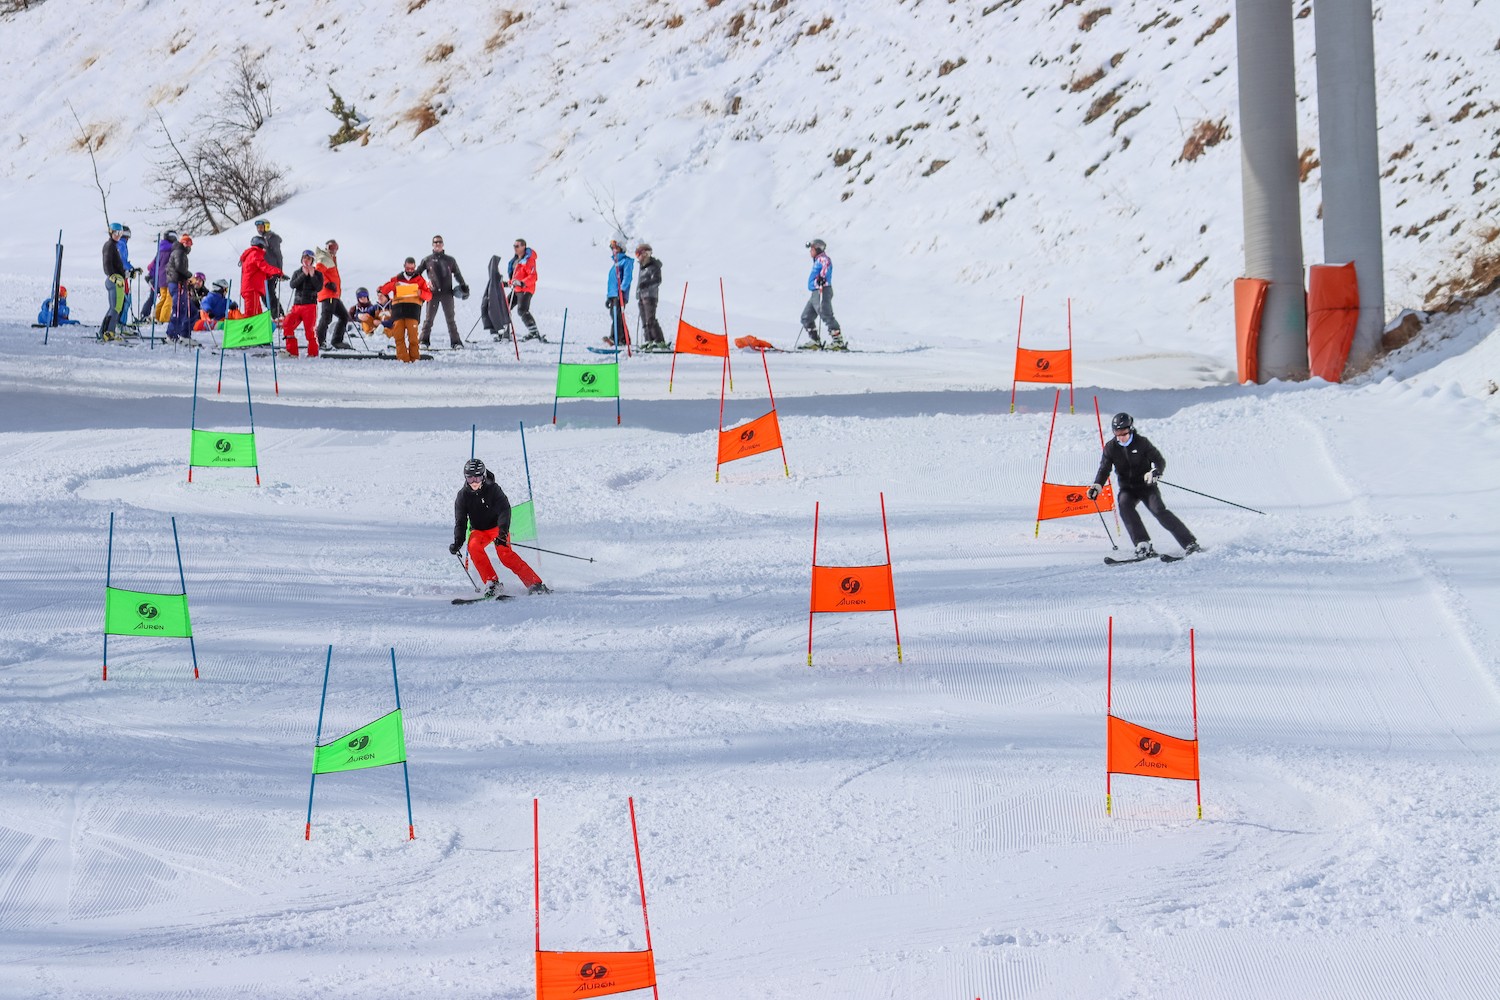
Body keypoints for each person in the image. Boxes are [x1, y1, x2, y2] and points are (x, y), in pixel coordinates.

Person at [1088, 412, 1201, 559]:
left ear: (1131, 429)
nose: (1121, 436)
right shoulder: (1111, 447)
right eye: (1117, 433)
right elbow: (1104, 468)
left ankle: (1190, 543)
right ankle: (1142, 544)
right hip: (1127, 488)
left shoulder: (1142, 443)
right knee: (1124, 505)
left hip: (1146, 486)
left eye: (1124, 432)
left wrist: (1155, 472)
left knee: (1158, 510)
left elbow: (1159, 460)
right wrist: (1097, 485)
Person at [448, 458, 550, 598]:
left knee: (505, 554)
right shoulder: (462, 496)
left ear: (483, 476)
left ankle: (534, 583)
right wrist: (458, 542)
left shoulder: (493, 489)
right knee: (473, 547)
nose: (474, 482)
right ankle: (492, 584)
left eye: (477, 478)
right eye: (470, 479)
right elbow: (460, 522)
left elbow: (504, 510)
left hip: (497, 528)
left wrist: (502, 533)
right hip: (479, 530)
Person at [418, 235, 468, 350]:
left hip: (447, 293)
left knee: (450, 319)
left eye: (440, 242)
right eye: (435, 242)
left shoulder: (450, 260)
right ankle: (424, 341)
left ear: (443, 244)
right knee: (429, 319)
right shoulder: (427, 259)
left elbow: (457, 274)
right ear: (432, 244)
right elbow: (417, 274)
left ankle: (456, 342)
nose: (438, 244)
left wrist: (463, 286)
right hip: (433, 293)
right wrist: (425, 284)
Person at [379, 257, 431, 363]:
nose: (410, 270)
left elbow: (429, 296)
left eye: (412, 268)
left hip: (413, 310)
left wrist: (420, 293)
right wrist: (394, 285)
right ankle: (403, 359)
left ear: (415, 267)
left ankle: (415, 359)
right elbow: (383, 290)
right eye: (408, 268)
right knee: (398, 336)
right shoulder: (397, 278)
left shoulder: (420, 280)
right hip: (398, 310)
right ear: (404, 266)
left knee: (413, 337)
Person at [799, 238, 845, 351]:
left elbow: (826, 267)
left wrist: (822, 278)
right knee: (806, 317)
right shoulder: (817, 260)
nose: (810, 251)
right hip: (815, 292)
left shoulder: (823, 259)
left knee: (825, 314)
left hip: (822, 290)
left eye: (812, 249)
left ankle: (838, 341)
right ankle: (815, 341)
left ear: (818, 249)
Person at [313, 240, 353, 350]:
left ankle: (337, 341)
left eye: (335, 247)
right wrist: (327, 283)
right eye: (331, 247)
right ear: (326, 247)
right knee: (326, 317)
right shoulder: (324, 258)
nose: (333, 250)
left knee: (344, 316)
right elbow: (318, 273)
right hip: (328, 294)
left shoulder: (331, 259)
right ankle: (319, 342)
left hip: (333, 294)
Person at [283, 249, 323, 357]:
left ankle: (313, 353)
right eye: (304, 258)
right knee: (287, 324)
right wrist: (303, 275)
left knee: (310, 331)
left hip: (310, 306)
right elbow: (293, 285)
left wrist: (312, 275)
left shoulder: (318, 274)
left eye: (309, 258)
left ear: (312, 261)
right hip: (297, 306)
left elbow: (319, 287)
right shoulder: (297, 272)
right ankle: (292, 352)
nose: (306, 260)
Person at [239, 234, 284, 317]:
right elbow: (264, 267)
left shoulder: (251, 254)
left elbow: (256, 271)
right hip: (252, 288)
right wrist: (278, 272)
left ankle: (259, 328)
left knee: (257, 312)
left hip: (251, 288)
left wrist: (268, 276)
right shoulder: (255, 254)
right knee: (252, 313)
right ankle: (245, 328)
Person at [508, 238, 542, 341]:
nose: (515, 248)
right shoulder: (515, 260)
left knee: (522, 310)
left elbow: (533, 276)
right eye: (514, 246)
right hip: (517, 289)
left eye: (517, 246)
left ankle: (534, 333)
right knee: (505, 306)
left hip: (526, 289)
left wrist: (522, 283)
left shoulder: (529, 260)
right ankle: (504, 331)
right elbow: (515, 277)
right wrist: (507, 283)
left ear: (523, 247)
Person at [164, 233, 196, 343]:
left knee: (188, 310)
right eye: (189, 245)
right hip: (177, 283)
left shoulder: (180, 253)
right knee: (179, 309)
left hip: (180, 283)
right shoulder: (179, 252)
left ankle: (183, 334)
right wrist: (189, 275)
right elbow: (179, 267)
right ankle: (172, 335)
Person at [634, 242, 667, 350]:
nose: (637, 257)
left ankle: (659, 341)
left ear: (645, 254)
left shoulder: (654, 266)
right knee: (645, 321)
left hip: (650, 297)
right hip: (642, 296)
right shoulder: (642, 267)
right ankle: (649, 340)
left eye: (638, 254)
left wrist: (646, 284)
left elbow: (657, 280)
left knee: (650, 320)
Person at [139, 230, 177, 322]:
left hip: (160, 278)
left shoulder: (161, 250)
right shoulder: (172, 250)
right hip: (169, 277)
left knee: (163, 298)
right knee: (169, 299)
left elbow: (154, 265)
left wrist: (150, 275)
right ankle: (164, 318)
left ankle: (156, 316)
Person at [254, 219, 285, 319]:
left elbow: (278, 255)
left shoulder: (272, 238)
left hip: (272, 270)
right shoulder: (261, 239)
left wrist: (279, 270)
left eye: (261, 227)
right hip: (264, 272)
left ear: (266, 227)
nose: (259, 229)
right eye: (258, 227)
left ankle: (278, 314)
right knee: (264, 295)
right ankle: (276, 314)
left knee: (269, 293)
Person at [604, 238, 633, 347]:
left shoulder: (626, 261)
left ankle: (615, 338)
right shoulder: (615, 264)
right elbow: (612, 282)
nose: (614, 250)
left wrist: (622, 289)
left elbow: (627, 277)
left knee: (617, 315)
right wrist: (609, 296)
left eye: (616, 248)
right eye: (613, 248)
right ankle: (624, 339)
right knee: (615, 316)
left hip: (619, 294)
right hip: (613, 294)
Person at [100, 223, 127, 340]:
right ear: (111, 232)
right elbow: (107, 263)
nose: (118, 235)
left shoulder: (114, 246)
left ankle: (104, 331)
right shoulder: (109, 245)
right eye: (116, 233)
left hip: (118, 279)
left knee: (115, 307)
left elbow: (117, 265)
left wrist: (127, 273)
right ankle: (108, 332)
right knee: (116, 307)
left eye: (120, 233)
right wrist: (112, 275)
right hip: (114, 280)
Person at [117, 225, 140, 328]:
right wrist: (130, 269)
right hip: (121, 276)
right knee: (125, 301)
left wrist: (131, 268)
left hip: (123, 275)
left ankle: (121, 323)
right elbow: (122, 260)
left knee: (125, 300)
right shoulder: (121, 244)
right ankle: (120, 324)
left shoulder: (121, 244)